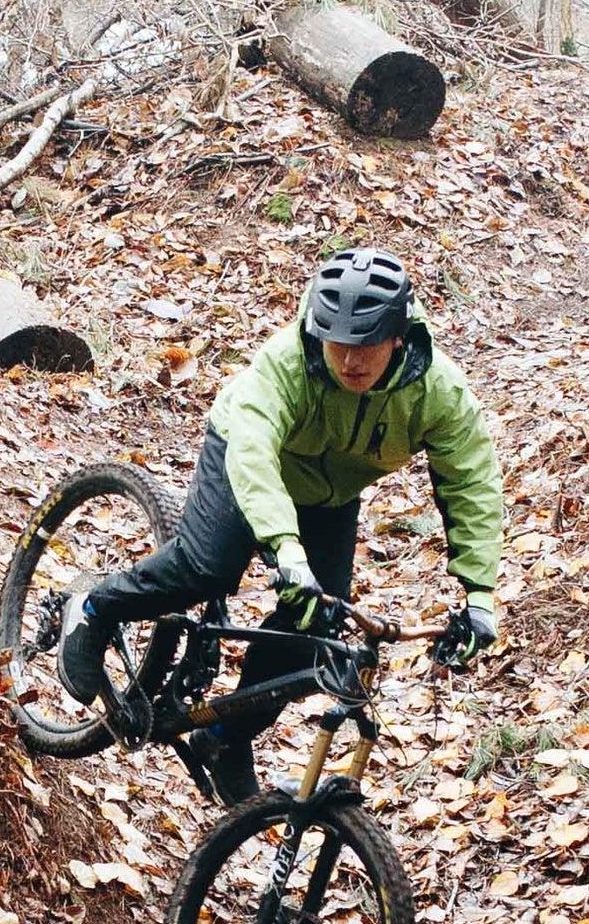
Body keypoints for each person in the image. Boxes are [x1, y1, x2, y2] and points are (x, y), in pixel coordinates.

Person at [55, 246, 504, 802]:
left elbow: (472, 482)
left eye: (365, 347)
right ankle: (95, 609)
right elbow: (254, 451)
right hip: (247, 458)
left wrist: (480, 594)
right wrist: (286, 552)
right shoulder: (289, 359)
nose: (349, 362)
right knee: (208, 567)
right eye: (338, 344)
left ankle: (225, 735)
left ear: (398, 337)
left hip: (327, 496)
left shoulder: (437, 391)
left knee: (317, 623)